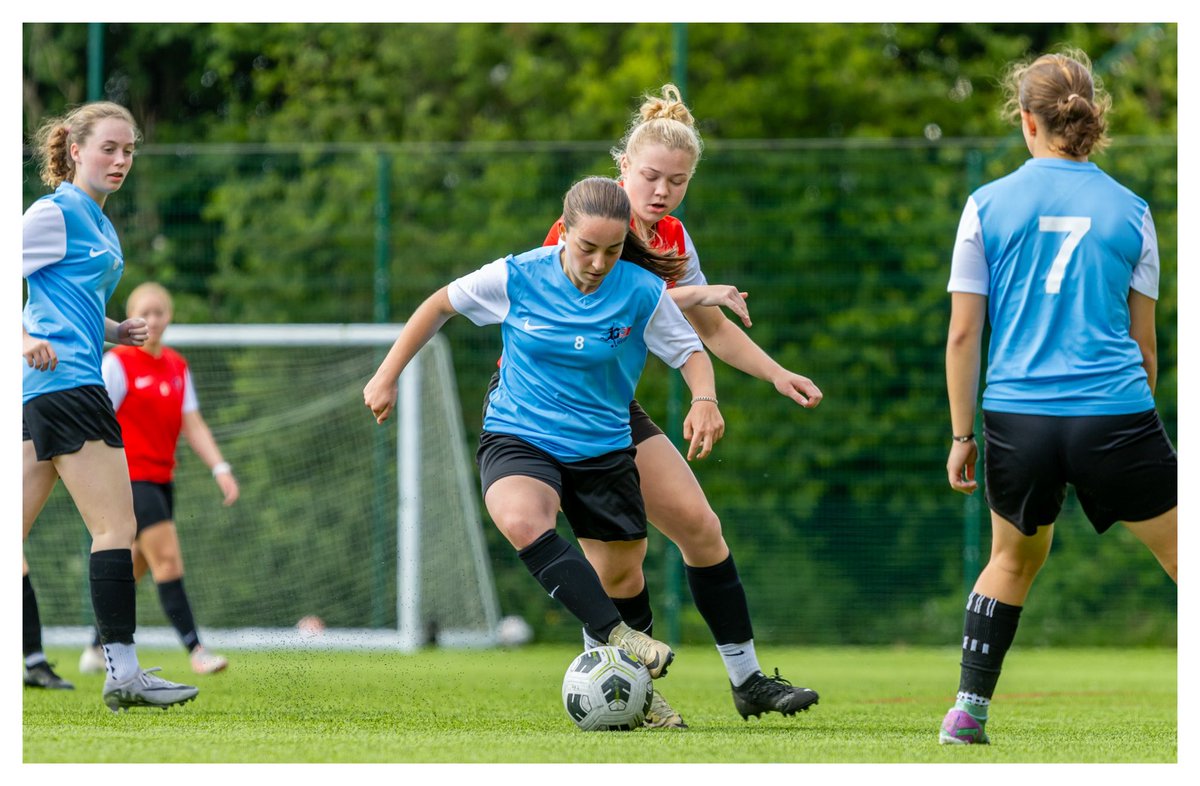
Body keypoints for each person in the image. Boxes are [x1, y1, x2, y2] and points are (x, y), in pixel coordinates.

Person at [364, 176, 723, 682]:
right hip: (520, 433)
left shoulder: (641, 291)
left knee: (621, 574)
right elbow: (438, 304)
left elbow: (689, 351)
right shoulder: (517, 276)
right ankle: (621, 638)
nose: (599, 264)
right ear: (564, 231)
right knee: (520, 519)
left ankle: (638, 691)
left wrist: (704, 399)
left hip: (602, 446)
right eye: (587, 248)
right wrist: (386, 375)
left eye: (613, 250)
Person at [541, 85, 823, 727]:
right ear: (622, 170)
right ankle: (619, 687)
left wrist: (777, 374)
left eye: (678, 180)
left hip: (610, 406)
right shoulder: (581, 228)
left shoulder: (670, 235)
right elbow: (616, 304)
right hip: (548, 412)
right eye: (650, 176)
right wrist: (701, 293)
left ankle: (748, 681)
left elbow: (710, 328)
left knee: (700, 529)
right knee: (619, 562)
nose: (662, 190)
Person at [939, 49, 1177, 745]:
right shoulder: (1132, 211)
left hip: (1018, 417)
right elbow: (1146, 345)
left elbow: (962, 336)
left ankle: (966, 713)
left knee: (1012, 560)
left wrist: (962, 437)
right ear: (1090, 118)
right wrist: (1133, 423)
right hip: (1114, 412)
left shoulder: (985, 205)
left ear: (1027, 121)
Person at [22, 101, 199, 711]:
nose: (121, 160)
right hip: (67, 388)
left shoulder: (100, 223)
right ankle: (122, 670)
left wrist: (114, 332)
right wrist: (20, 340)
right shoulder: (53, 213)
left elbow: (64, 308)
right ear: (73, 148)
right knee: (117, 530)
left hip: (46, 392)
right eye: (109, 148)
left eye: (129, 151)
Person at [77, 282, 238, 677]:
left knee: (134, 565)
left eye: (159, 312)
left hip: (163, 480)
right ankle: (196, 648)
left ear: (169, 316)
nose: (151, 320)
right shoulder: (117, 363)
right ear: (130, 318)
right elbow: (94, 420)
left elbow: (192, 422)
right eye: (143, 313)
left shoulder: (177, 365)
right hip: (131, 481)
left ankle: (97, 644)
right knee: (167, 559)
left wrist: (221, 468)